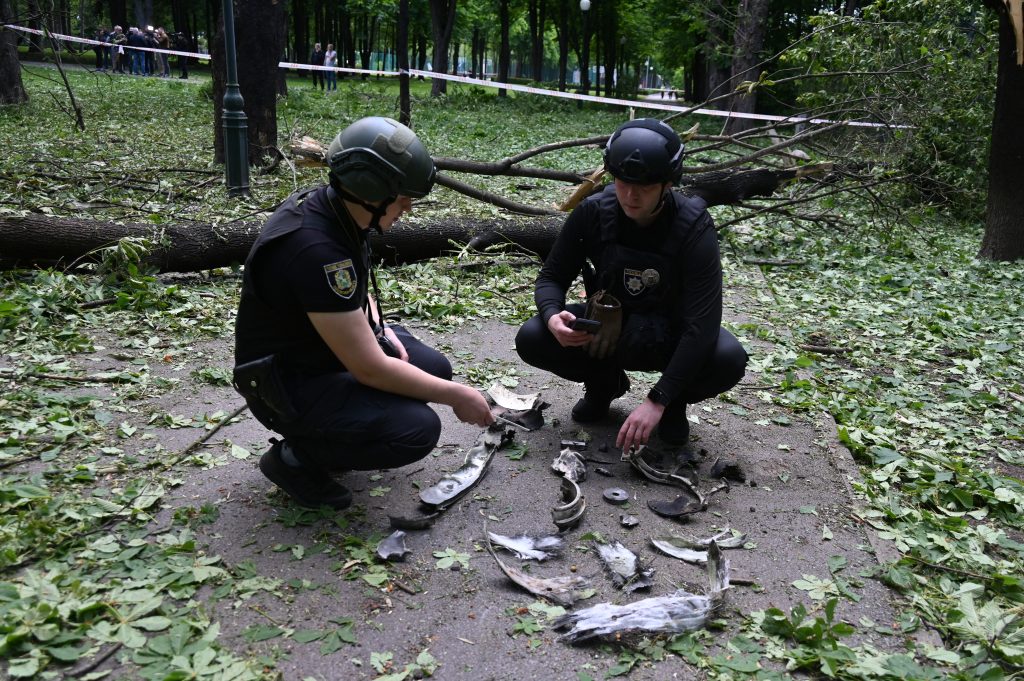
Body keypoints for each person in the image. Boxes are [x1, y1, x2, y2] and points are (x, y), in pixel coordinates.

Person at [233, 116, 494, 509]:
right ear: (372, 191)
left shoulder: (339, 210)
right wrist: (459, 397)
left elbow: (351, 290)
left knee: (432, 369)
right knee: (417, 429)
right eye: (402, 195)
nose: (407, 206)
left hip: (315, 353)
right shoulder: (315, 249)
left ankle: (338, 433)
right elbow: (368, 368)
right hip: (284, 384)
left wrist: (377, 326)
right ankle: (295, 459)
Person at [515, 118, 748, 453]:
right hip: (606, 330)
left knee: (728, 358)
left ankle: (673, 404)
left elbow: (703, 324)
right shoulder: (593, 212)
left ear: (667, 185)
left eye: (645, 187)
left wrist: (658, 399)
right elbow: (552, 277)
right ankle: (603, 386)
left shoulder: (694, 225)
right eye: (622, 182)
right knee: (533, 336)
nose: (630, 195)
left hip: (671, 335)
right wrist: (553, 315)